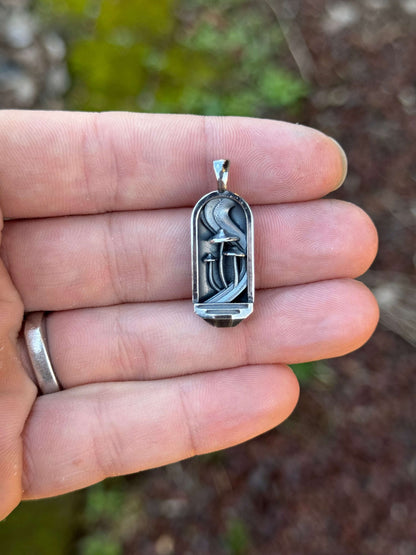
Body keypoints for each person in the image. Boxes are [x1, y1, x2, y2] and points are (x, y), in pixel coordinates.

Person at [0, 111, 379, 519]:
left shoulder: (230, 220)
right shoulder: (215, 222)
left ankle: (229, 291)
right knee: (222, 264)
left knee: (229, 266)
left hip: (227, 290)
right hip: (217, 289)